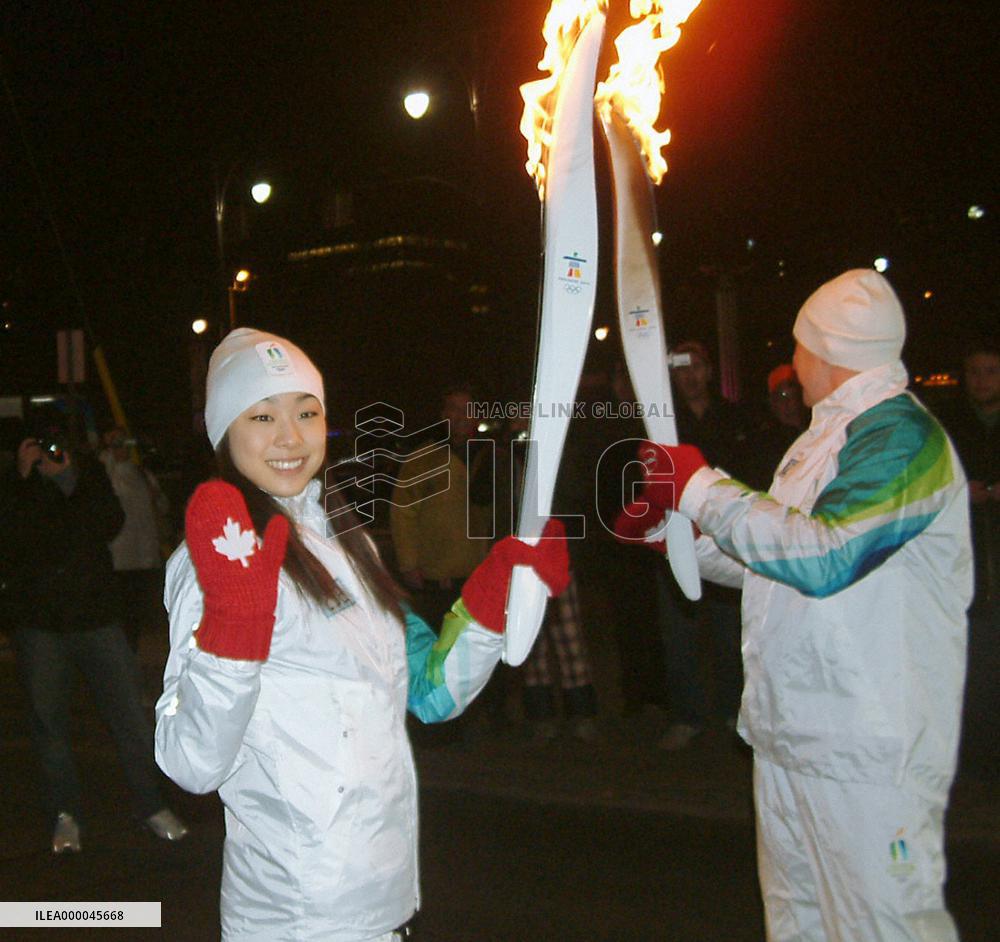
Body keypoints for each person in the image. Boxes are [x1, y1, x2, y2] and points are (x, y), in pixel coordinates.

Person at [154, 328, 569, 941]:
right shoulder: (218, 557)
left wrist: (492, 599)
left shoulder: (344, 539)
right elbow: (190, 763)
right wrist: (233, 634)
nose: (290, 437)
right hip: (297, 914)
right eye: (262, 416)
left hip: (385, 897)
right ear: (223, 432)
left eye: (306, 412)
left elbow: (431, 693)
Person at [619, 269, 971, 940]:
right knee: (799, 926)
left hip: (868, 752)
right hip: (793, 734)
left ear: (831, 349)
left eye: (800, 344)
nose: (790, 359)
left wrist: (699, 488)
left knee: (882, 929)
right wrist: (681, 538)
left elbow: (822, 557)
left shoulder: (903, 440)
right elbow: (777, 567)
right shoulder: (820, 443)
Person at [0, 423, 187, 853]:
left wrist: (67, 480)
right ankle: (65, 815)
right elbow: (14, 536)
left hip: (96, 616)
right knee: (50, 726)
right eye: (39, 448)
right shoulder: (14, 485)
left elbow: (108, 522)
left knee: (131, 718)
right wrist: (27, 479)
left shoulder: (87, 478)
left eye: (55, 448)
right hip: (39, 623)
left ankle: (153, 805)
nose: (49, 454)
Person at [650, 340, 752, 749]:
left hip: (726, 541)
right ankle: (687, 715)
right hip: (677, 540)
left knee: (730, 636)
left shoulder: (733, 417)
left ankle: (733, 711)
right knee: (679, 634)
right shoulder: (663, 422)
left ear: (709, 371)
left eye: (696, 367)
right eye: (680, 369)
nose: (689, 376)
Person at [938, 342, 999, 781]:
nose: (982, 380)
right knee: (971, 663)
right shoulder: (951, 424)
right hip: (968, 557)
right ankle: (974, 755)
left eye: (991, 371)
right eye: (975, 371)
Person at [100, 426, 171, 653]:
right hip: (118, 559)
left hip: (145, 557)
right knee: (121, 614)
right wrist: (109, 450)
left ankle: (131, 652)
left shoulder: (140, 473)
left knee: (138, 612)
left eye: (125, 442)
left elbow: (162, 507)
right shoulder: (104, 472)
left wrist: (156, 497)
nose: (123, 448)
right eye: (117, 443)